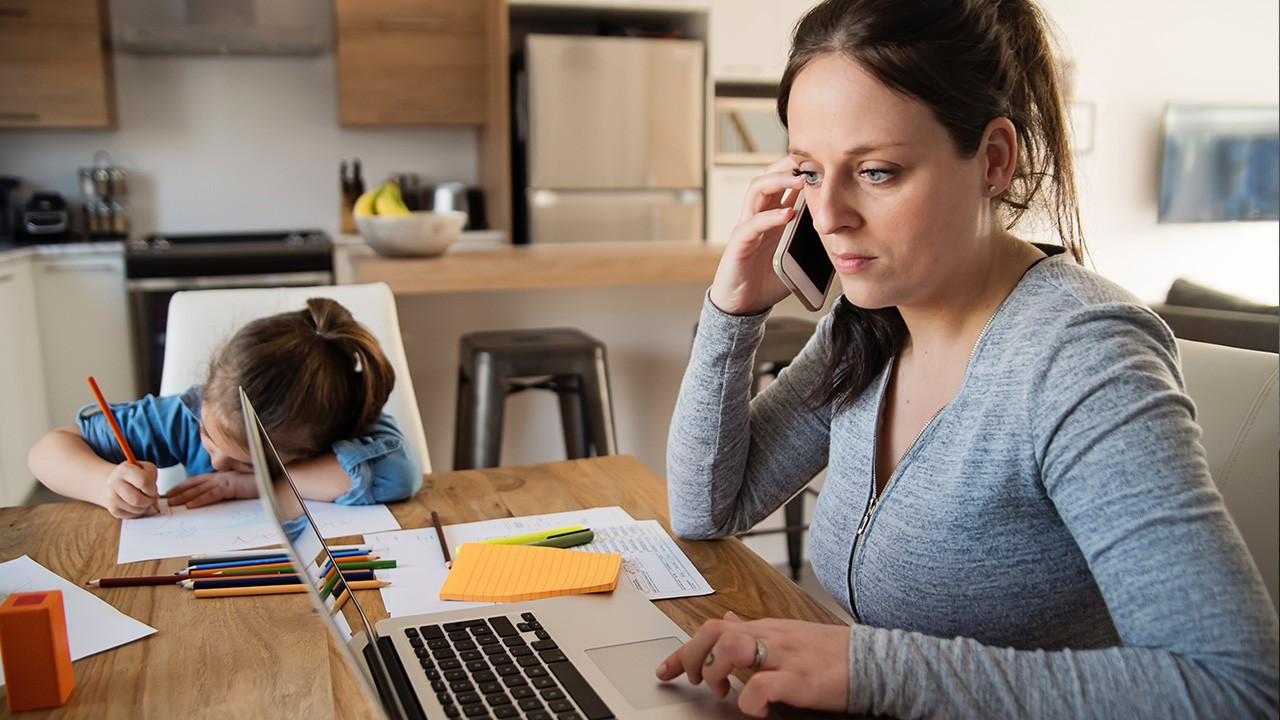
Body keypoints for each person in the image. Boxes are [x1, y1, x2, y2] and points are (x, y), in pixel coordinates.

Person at [657, 0, 1279, 717]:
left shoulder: (1085, 359)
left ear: (991, 160)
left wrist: (872, 667)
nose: (828, 216)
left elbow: (1234, 687)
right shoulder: (870, 324)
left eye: (878, 172)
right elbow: (709, 507)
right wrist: (733, 309)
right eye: (807, 170)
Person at [28, 297, 422, 527]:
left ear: (308, 449)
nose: (215, 461)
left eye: (245, 464)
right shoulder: (187, 413)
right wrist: (104, 483)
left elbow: (400, 472)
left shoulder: (332, 421)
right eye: (208, 435)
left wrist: (252, 487)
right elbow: (49, 450)